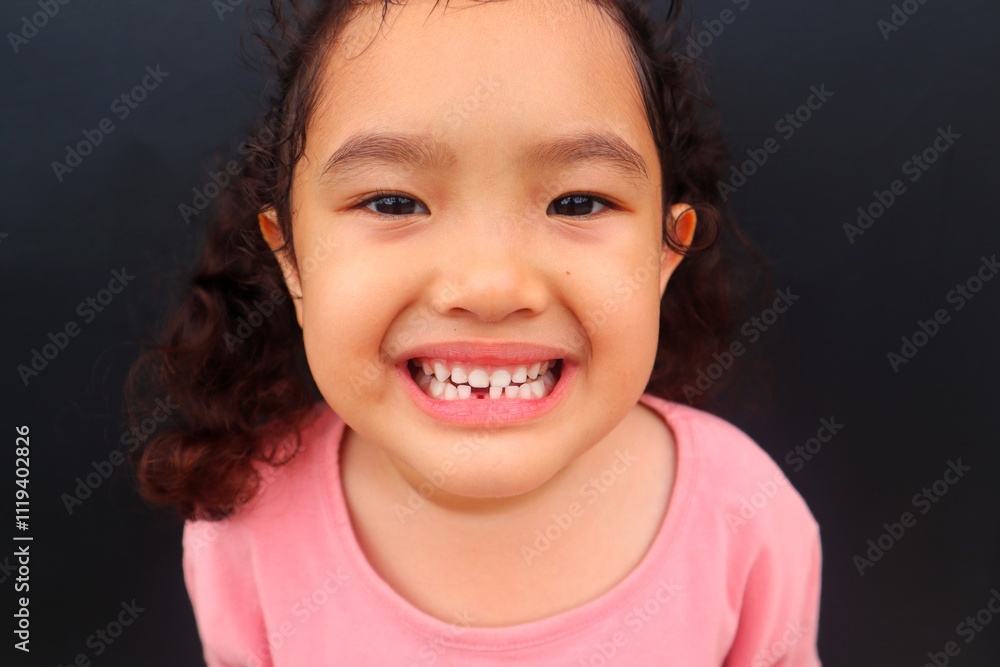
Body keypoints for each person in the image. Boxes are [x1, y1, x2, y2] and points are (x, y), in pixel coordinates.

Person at [125, 0, 823, 664]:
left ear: (664, 257)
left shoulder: (746, 519)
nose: (491, 287)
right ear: (292, 261)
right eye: (393, 201)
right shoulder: (244, 523)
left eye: (577, 202)